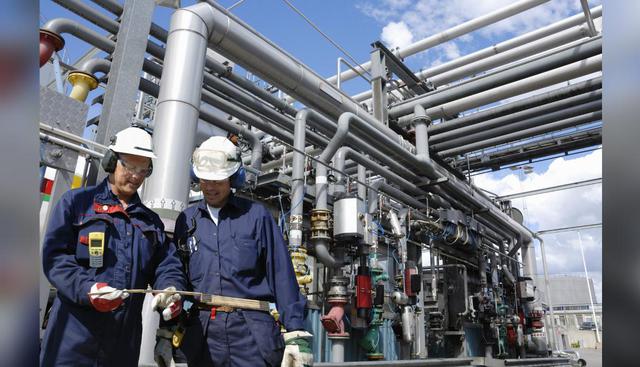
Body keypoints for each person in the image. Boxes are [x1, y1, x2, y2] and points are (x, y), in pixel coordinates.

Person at [157, 136, 313, 367]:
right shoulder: (187, 220)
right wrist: (167, 327)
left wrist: (296, 333)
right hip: (201, 333)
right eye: (204, 179)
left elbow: (282, 276)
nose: (210, 187)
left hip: (251, 334)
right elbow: (177, 272)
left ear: (234, 177)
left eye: (218, 180)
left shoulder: (256, 217)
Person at [40, 127, 186, 366]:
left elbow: (166, 264)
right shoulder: (77, 204)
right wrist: (87, 288)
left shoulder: (150, 222)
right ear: (111, 161)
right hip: (72, 339)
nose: (136, 176)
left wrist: (170, 288)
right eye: (129, 166)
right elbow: (55, 258)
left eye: (143, 169)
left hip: (122, 345)